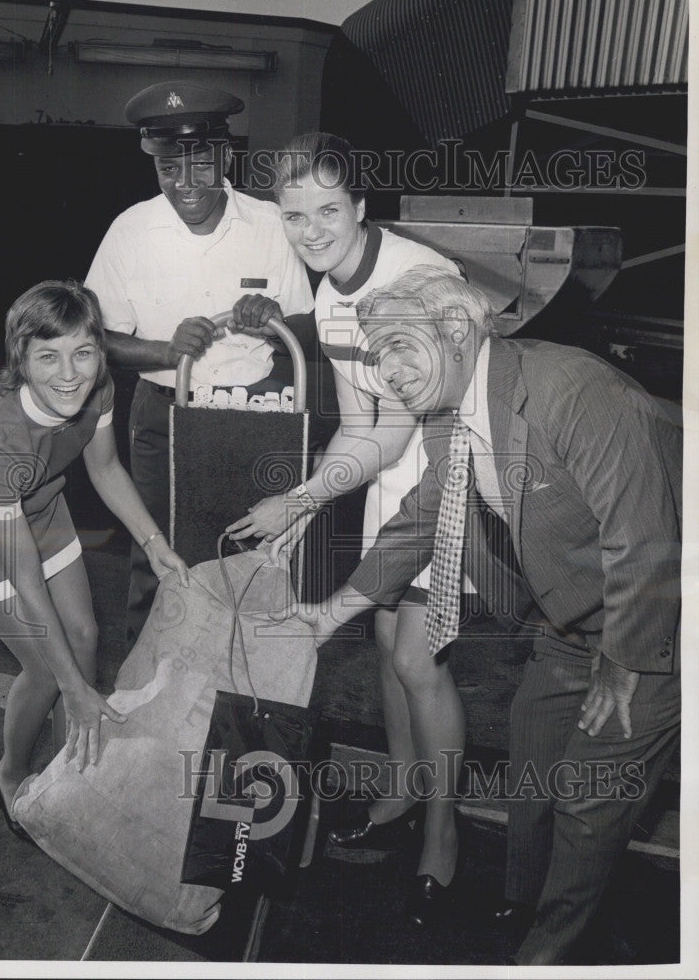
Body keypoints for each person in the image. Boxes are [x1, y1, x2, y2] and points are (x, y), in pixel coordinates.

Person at [282, 268, 682, 965]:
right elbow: (420, 520)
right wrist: (331, 614)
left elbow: (645, 541)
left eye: (402, 347)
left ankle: (549, 952)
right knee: (533, 744)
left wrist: (622, 670)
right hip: (573, 618)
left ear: (459, 330)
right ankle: (525, 900)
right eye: (378, 356)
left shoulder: (574, 393)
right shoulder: (450, 417)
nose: (389, 371)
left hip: (658, 622)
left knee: (588, 798)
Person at [225, 132, 468, 921]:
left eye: (329, 209)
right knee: (384, 647)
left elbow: (398, 432)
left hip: (446, 472)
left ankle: (444, 834)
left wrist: (297, 502)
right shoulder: (327, 292)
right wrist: (306, 502)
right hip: (385, 479)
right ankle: (400, 792)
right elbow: (357, 423)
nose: (313, 229)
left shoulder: (415, 278)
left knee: (417, 656)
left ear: (361, 207)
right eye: (295, 215)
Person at [0, 281, 189, 843]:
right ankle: (12, 774)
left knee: (85, 635)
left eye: (83, 353)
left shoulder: (98, 386)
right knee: (49, 668)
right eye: (48, 357)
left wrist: (153, 541)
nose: (70, 373)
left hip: (37, 501)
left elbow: (107, 469)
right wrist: (73, 686)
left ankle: (73, 773)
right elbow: (24, 576)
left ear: (99, 351)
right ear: (21, 361)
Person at [84, 81, 313, 646]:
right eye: (167, 170)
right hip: (161, 416)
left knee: (250, 556)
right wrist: (165, 352)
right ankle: (151, 692)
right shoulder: (130, 231)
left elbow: (310, 334)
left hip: (255, 415)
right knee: (157, 551)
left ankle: (241, 698)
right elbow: (95, 339)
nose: (183, 185)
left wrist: (276, 321)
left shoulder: (270, 225)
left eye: (198, 166)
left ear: (225, 156)